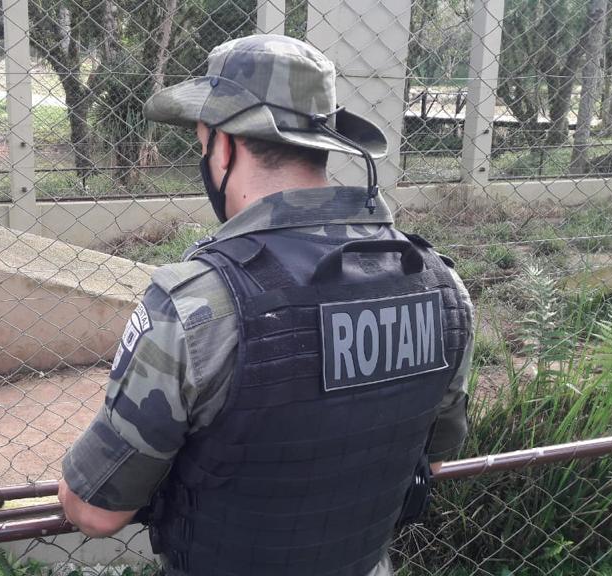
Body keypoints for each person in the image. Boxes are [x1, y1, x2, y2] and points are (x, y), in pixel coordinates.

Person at [57, 33, 475, 576]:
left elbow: (95, 511)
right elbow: (433, 457)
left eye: (202, 143)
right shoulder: (439, 284)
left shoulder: (198, 304)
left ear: (223, 146)